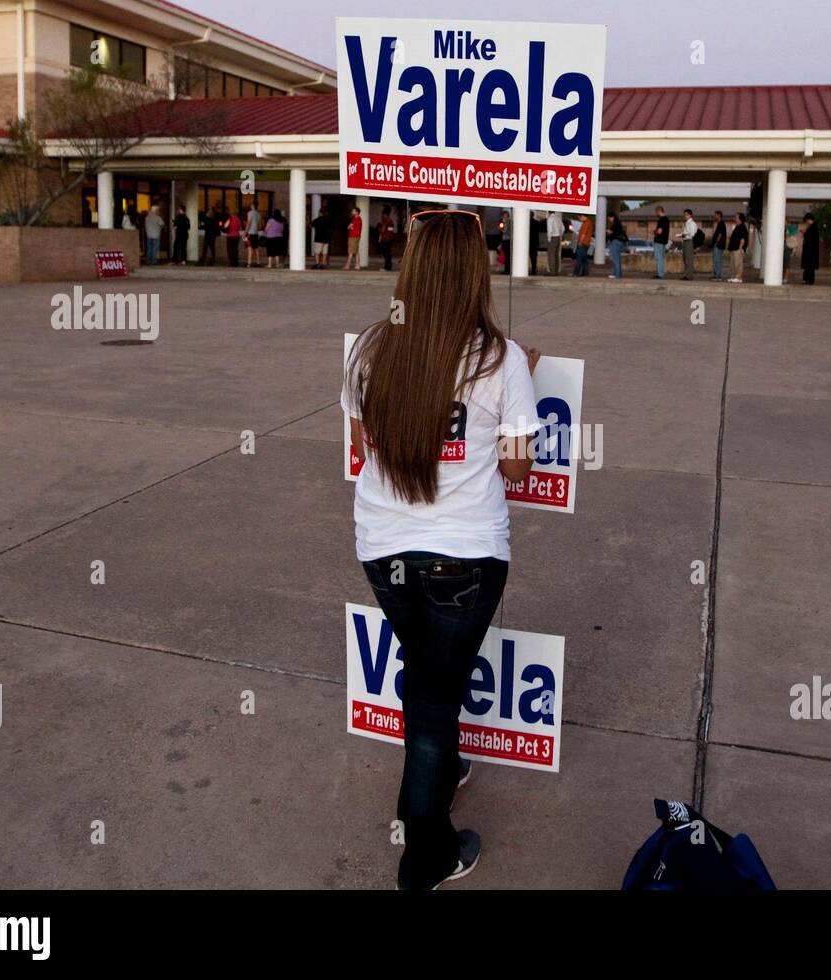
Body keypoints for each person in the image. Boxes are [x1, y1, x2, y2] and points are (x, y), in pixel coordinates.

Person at [340, 209, 541, 891]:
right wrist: (518, 390)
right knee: (431, 693)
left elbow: (364, 445)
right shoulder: (501, 359)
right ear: (475, 272)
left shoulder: (369, 347)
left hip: (384, 548)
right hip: (464, 556)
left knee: (428, 677)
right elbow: (518, 472)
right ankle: (423, 853)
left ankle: (443, 764)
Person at [727, 212, 748, 283]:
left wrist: (740, 248)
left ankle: (738, 278)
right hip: (733, 248)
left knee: (738, 264)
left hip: (738, 249)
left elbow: (743, 239)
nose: (734, 218)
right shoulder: (737, 226)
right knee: (732, 264)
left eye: (736, 217)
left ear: (740, 219)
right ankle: (733, 277)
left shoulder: (743, 227)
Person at [800, 212, 820, 285]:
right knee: (808, 266)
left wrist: (804, 233)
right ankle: (807, 279)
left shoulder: (813, 227)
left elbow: (810, 238)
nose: (806, 222)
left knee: (809, 266)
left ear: (809, 219)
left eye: (806, 221)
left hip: (811, 250)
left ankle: (809, 280)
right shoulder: (813, 227)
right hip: (810, 250)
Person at [573, 212, 593, 276]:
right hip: (586, 243)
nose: (579, 219)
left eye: (579, 218)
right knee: (584, 258)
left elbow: (583, 234)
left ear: (582, 216)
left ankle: (576, 273)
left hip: (583, 243)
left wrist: (580, 242)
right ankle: (585, 272)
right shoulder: (588, 222)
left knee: (579, 258)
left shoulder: (586, 223)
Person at [607, 212, 626, 279]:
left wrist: (610, 232)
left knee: (615, 259)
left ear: (612, 217)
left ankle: (616, 274)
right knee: (617, 258)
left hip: (615, 242)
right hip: (619, 242)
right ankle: (618, 274)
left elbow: (615, 232)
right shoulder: (618, 223)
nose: (609, 220)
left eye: (609, 218)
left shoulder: (616, 224)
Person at [652, 206, 669, 279]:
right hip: (664, 241)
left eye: (656, 212)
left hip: (658, 241)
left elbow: (659, 231)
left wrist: (654, 231)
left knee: (658, 258)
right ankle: (661, 273)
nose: (656, 213)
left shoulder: (661, 220)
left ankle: (660, 274)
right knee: (661, 258)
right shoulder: (667, 219)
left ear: (659, 211)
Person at [342, 206, 362, 270]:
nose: (352, 212)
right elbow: (349, 227)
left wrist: (351, 227)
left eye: (353, 211)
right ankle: (357, 265)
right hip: (354, 236)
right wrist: (351, 227)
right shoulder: (355, 219)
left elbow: (349, 227)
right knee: (356, 251)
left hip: (354, 237)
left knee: (350, 252)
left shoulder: (357, 219)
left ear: (356, 212)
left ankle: (347, 265)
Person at [378, 206, 396, 272]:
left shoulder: (385, 220)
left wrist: (380, 236)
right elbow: (391, 229)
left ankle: (386, 267)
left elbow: (383, 229)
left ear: (384, 214)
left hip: (385, 238)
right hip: (390, 238)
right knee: (388, 253)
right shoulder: (390, 220)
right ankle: (389, 266)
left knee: (386, 253)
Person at [710, 210, 727, 281]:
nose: (714, 216)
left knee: (717, 260)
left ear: (719, 215)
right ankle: (716, 275)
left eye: (715, 215)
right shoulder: (719, 223)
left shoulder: (721, 223)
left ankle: (718, 276)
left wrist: (716, 244)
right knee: (716, 260)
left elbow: (720, 235)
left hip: (718, 245)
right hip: (718, 245)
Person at [546, 211, 564, 276]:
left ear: (548, 212)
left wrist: (549, 239)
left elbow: (549, 229)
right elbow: (563, 228)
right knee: (556, 255)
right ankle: (556, 271)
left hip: (553, 237)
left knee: (551, 255)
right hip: (558, 237)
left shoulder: (550, 219)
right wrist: (560, 235)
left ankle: (552, 272)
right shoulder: (558, 218)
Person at [245, 200, 262, 268]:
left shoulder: (250, 213)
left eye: (251, 205)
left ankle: (249, 263)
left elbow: (249, 222)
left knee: (250, 248)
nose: (250, 206)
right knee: (256, 248)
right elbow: (259, 226)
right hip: (255, 233)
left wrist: (245, 231)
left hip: (250, 233)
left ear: (253, 205)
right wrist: (256, 229)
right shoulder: (258, 214)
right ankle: (258, 262)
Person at [782, 220, 799, 284]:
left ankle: (786, 278)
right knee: (783, 264)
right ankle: (783, 277)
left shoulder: (790, 229)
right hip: (782, 248)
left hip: (787, 248)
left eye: (785, 222)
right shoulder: (781, 229)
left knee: (786, 264)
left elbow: (792, 239)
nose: (784, 223)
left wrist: (794, 250)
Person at [498, 210, 510, 274]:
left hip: (508, 240)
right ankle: (506, 270)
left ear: (508, 216)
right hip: (504, 240)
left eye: (505, 216)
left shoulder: (508, 222)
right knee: (506, 256)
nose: (504, 217)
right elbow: (501, 231)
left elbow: (505, 231)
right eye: (503, 216)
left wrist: (503, 225)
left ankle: (507, 270)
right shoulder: (503, 223)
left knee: (507, 256)